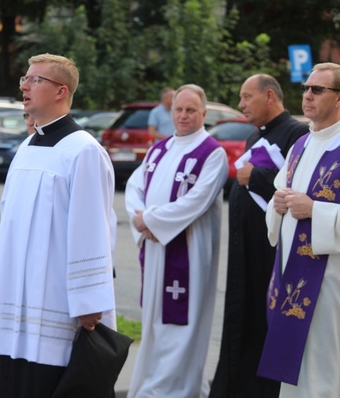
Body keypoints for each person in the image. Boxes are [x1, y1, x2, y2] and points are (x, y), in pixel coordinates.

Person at [0, 53, 117, 398]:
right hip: (18, 293)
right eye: (24, 80)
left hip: (57, 299)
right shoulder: (27, 145)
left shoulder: (83, 150)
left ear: (61, 91)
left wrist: (89, 300)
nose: (24, 86)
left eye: (34, 80)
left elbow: (93, 229)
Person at [125, 84, 228, 397]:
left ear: (204, 113)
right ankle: (154, 386)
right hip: (156, 250)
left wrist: (151, 220)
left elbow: (196, 200)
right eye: (178, 110)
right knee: (155, 323)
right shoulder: (160, 148)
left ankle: (177, 390)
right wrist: (139, 219)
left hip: (189, 254)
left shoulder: (212, 152)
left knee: (183, 327)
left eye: (190, 110)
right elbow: (133, 186)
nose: (183, 116)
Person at [211, 75, 308, 397]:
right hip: (244, 250)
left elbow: (296, 187)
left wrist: (256, 176)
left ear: (269, 96)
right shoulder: (256, 136)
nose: (240, 105)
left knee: (264, 323)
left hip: (271, 252)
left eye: (246, 97)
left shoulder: (296, 133)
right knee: (243, 318)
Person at [258, 63, 340, 396]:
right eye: (306, 88)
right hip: (290, 274)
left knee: (323, 366)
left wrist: (316, 211)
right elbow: (281, 198)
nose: (307, 95)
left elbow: (309, 207)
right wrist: (277, 207)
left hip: (330, 280)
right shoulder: (301, 145)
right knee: (294, 367)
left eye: (317, 90)